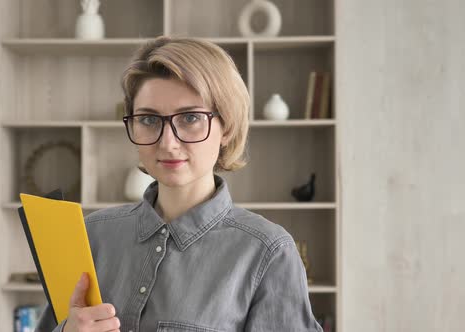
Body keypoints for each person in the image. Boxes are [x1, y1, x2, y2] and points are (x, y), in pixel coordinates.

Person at [35, 36, 323, 332]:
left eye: (190, 118)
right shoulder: (90, 236)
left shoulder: (268, 252)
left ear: (227, 127)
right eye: (148, 120)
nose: (168, 143)